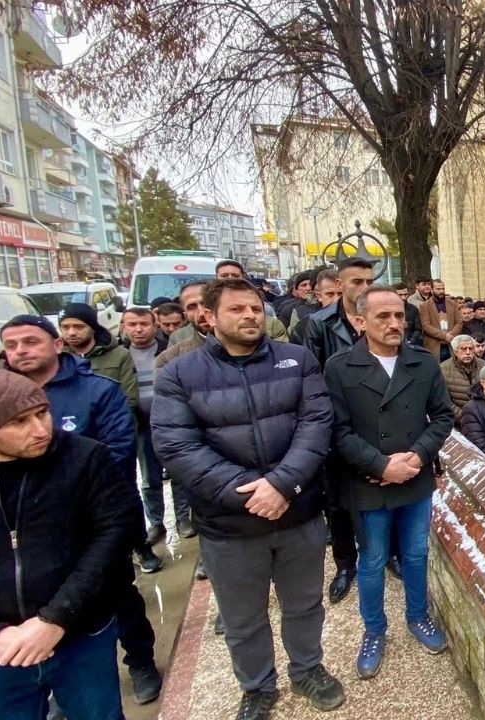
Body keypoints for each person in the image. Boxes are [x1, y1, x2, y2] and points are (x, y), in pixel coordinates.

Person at [152, 278, 344, 719]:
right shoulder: (180, 374)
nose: (250, 316)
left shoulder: (297, 361)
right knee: (243, 618)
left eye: (255, 309)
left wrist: (282, 485)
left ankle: (307, 668)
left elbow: (315, 426)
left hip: (297, 514)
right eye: (237, 309)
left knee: (304, 604)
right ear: (210, 316)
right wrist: (250, 495)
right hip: (230, 525)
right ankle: (258, 686)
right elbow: (178, 448)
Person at [0, 371, 141, 720]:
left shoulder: (84, 458)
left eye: (42, 413)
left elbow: (113, 536)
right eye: (19, 422)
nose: (40, 430)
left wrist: (56, 619)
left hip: (80, 633)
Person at [0, 315, 165, 702]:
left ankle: (140, 661)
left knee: (117, 594)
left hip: (95, 519)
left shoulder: (96, 391)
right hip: (29, 528)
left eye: (31, 342)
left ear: (56, 345)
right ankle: (57, 680)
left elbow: (117, 450)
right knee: (44, 602)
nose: (21, 351)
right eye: (11, 345)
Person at [324, 284, 455, 678]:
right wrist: (381, 465)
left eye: (399, 315)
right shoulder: (340, 368)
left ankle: (418, 617)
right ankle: (374, 630)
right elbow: (338, 431)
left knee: (416, 554)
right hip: (369, 482)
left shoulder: (422, 362)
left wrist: (417, 456)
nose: (395, 323)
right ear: (359, 320)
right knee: (373, 561)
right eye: (384, 316)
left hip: (414, 479)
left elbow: (444, 417)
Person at [302, 258, 374, 604]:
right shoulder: (319, 324)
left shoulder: (380, 317)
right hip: (336, 426)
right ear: (340, 285)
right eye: (356, 282)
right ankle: (345, 563)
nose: (364, 288)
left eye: (368, 281)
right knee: (338, 503)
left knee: (379, 495)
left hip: (375, 425)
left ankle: (385, 554)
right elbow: (310, 379)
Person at [123, 306, 193, 543]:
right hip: (141, 426)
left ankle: (183, 519)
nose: (139, 329)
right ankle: (155, 522)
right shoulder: (122, 356)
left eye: (144, 324)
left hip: (173, 423)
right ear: (123, 327)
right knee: (149, 477)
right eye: (132, 324)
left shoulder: (170, 352)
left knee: (178, 474)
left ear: (155, 326)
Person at [58, 302, 138, 409]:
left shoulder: (119, 355)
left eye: (79, 327)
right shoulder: (56, 358)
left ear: (93, 328)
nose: (71, 332)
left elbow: (130, 399)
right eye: (65, 327)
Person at [441, 335, 483, 422]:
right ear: (455, 351)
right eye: (463, 349)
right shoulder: (443, 370)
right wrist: (466, 417)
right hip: (458, 420)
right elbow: (445, 402)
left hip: (483, 418)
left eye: (471, 348)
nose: (468, 352)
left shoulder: (483, 366)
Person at [419, 279, 463, 361]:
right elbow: (426, 326)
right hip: (435, 345)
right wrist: (444, 336)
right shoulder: (424, 306)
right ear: (432, 290)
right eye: (438, 289)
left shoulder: (453, 304)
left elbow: (459, 322)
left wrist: (451, 335)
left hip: (451, 344)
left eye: (443, 289)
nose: (441, 291)